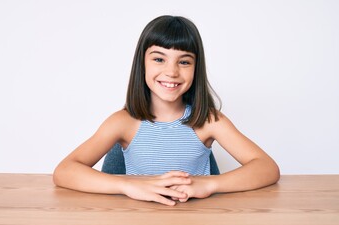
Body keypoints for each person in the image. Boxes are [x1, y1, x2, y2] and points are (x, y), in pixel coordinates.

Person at [53, 15, 280, 206]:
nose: (171, 72)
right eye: (159, 59)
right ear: (142, 64)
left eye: (184, 62)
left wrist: (209, 184)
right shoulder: (123, 122)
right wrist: (127, 186)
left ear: (196, 68)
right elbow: (64, 171)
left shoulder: (209, 121)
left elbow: (267, 167)